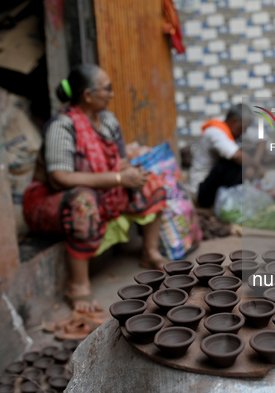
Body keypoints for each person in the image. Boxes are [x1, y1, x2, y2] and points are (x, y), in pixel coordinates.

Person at [23, 64, 167, 312]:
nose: (112, 94)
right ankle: (78, 285)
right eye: (107, 89)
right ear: (87, 95)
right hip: (52, 198)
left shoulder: (108, 120)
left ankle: (150, 252)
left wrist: (130, 173)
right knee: (84, 202)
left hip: (101, 187)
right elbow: (60, 178)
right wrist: (120, 180)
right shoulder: (62, 126)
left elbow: (119, 162)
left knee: (150, 182)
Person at [189, 104, 265, 208]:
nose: (245, 132)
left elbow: (262, 139)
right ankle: (217, 205)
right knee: (233, 161)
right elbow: (236, 156)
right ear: (233, 121)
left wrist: (252, 166)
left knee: (246, 155)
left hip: (215, 186)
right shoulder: (214, 132)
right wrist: (257, 165)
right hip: (201, 189)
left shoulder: (235, 130)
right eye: (243, 128)